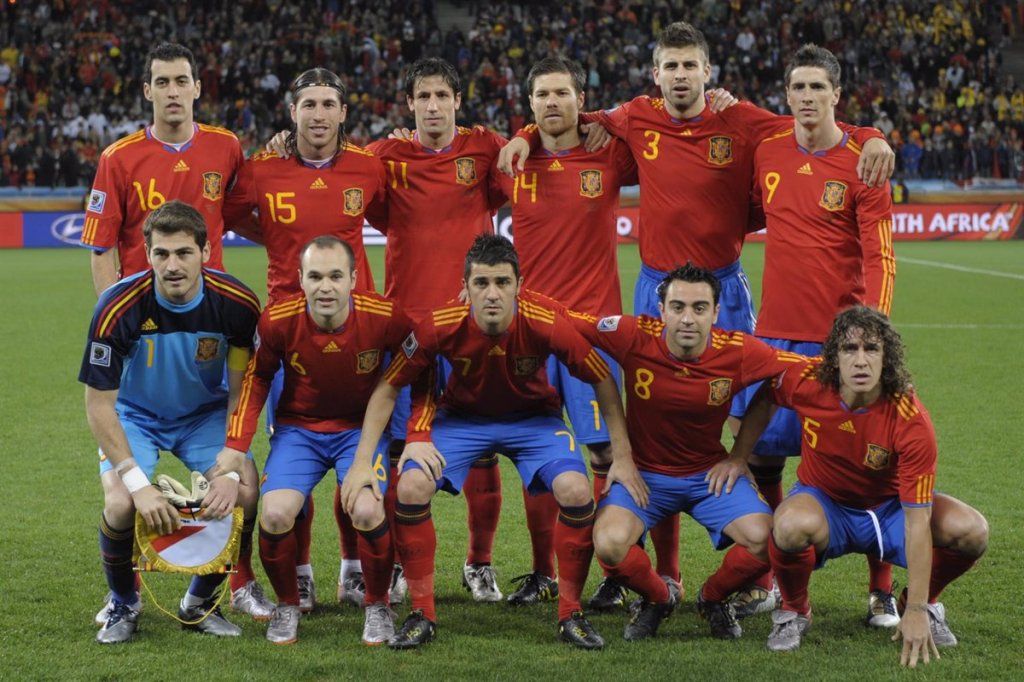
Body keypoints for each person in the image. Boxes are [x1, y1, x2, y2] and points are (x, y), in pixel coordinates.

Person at [499, 22, 895, 608]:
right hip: (656, 289)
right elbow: (568, 116)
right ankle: (670, 572)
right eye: (670, 67)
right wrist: (526, 133)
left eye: (690, 66)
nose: (680, 76)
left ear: (709, 73)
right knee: (655, 427)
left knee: (753, 435)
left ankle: (762, 579)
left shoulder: (743, 121)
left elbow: (810, 125)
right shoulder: (634, 116)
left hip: (726, 291)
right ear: (655, 75)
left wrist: (872, 135)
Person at [270, 58, 510, 603]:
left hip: (474, 326)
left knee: (484, 453)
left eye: (441, 95)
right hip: (404, 330)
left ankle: (480, 563)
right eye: (422, 96)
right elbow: (331, 174)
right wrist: (286, 147)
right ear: (408, 105)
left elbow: (531, 161)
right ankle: (398, 566)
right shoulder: (384, 157)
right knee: (398, 452)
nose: (432, 105)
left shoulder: (487, 149)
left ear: (457, 100)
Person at [346, 234, 638, 650]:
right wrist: (369, 459)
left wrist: (622, 456)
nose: (492, 294)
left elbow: (602, 378)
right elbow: (388, 387)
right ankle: (421, 613)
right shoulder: (439, 324)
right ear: (465, 288)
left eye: (502, 282)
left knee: (575, 490)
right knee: (410, 486)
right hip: (462, 421)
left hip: (534, 421)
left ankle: (570, 613)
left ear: (520, 285)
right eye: (481, 283)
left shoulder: (546, 320)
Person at [223, 67, 388, 615]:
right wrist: (272, 232)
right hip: (286, 332)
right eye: (308, 104)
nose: (318, 114)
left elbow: (391, 215)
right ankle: (301, 573)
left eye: (328, 104)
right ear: (291, 112)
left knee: (354, 452)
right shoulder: (261, 168)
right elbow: (229, 213)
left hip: (353, 327)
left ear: (344, 112)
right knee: (290, 459)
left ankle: (353, 570)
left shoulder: (369, 167)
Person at [573, 263, 808, 641]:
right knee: (610, 543)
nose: (687, 318)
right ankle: (659, 597)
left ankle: (713, 598)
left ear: (716, 312)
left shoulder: (739, 351)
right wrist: (622, 454)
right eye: (678, 306)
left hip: (707, 477)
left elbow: (786, 379)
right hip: (644, 477)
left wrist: (739, 455)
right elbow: (568, 322)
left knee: (771, 540)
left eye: (699, 308)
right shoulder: (633, 335)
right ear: (661, 309)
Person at [748, 43, 899, 625]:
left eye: (818, 88)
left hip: (839, 344)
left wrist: (873, 330)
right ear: (786, 95)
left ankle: (881, 588)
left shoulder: (863, 161)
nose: (807, 97)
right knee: (764, 458)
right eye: (798, 88)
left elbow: (880, 255)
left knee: (867, 463)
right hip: (775, 339)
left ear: (837, 94)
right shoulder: (767, 151)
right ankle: (771, 575)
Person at [744, 307, 988, 666]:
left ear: (886, 357)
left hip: (889, 511)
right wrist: (738, 456)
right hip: (826, 505)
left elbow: (917, 520)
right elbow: (767, 393)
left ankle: (922, 604)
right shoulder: (806, 380)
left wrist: (918, 607)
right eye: (849, 349)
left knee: (972, 530)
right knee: (788, 524)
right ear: (834, 357)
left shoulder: (910, 419)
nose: (861, 360)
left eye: (871, 349)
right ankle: (794, 610)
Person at [80, 201, 261, 644]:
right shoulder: (117, 307)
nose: (172, 265)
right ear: (147, 252)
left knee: (246, 492)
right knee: (122, 503)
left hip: (204, 415)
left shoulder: (236, 305)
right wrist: (139, 484)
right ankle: (124, 601)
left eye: (183, 252)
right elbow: (99, 405)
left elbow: (241, 391)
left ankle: (198, 604)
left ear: (206, 251)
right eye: (161, 253)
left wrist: (233, 465)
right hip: (134, 415)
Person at [494, 56, 636, 606]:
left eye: (563, 94)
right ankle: (541, 572)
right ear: (529, 105)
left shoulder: (609, 153)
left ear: (581, 100)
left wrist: (596, 119)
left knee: (603, 456)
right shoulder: (511, 161)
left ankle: (614, 573)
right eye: (542, 96)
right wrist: (524, 137)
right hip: (528, 332)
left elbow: (653, 128)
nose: (552, 103)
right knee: (537, 460)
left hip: (591, 334)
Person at [216, 236, 407, 645]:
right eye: (315, 276)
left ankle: (378, 604)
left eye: (336, 276)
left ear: (354, 279)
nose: (326, 287)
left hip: (359, 430)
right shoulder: (277, 320)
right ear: (300, 279)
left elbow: (412, 373)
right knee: (274, 515)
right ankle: (288, 604)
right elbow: (258, 378)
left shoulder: (385, 317)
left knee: (369, 510)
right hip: (299, 430)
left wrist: (411, 435)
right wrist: (236, 445)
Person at [80, 43, 243, 296]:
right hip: (142, 302)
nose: (173, 92)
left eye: (181, 81)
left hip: (210, 303)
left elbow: (241, 214)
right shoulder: (117, 158)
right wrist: (111, 315)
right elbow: (101, 248)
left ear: (196, 88)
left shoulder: (226, 146)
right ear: (148, 91)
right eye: (162, 82)